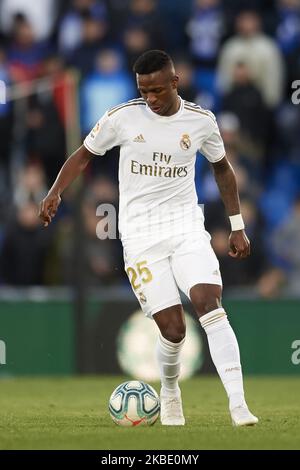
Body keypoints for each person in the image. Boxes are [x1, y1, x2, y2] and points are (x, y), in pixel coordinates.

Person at [39, 49, 258, 427]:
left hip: (186, 227)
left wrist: (236, 224)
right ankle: (170, 390)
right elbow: (83, 155)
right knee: (173, 329)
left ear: (175, 82)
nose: (151, 99)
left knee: (209, 303)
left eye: (157, 90)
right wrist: (55, 191)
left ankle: (238, 405)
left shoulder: (201, 121)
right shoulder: (122, 118)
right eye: (144, 92)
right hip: (140, 236)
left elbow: (223, 170)